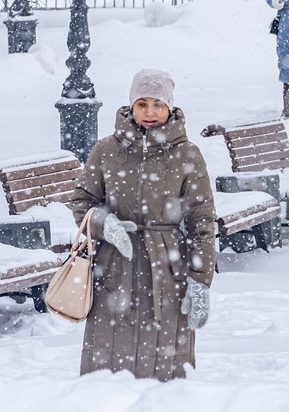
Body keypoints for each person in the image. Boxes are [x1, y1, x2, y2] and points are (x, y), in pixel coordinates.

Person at [69, 68, 216, 381]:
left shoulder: (187, 154)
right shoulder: (106, 150)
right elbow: (82, 200)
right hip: (113, 269)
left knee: (166, 374)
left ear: (170, 108)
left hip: (168, 269)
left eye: (158, 105)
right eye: (142, 104)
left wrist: (200, 281)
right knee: (106, 374)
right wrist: (104, 223)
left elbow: (201, 221)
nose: (150, 112)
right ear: (130, 106)